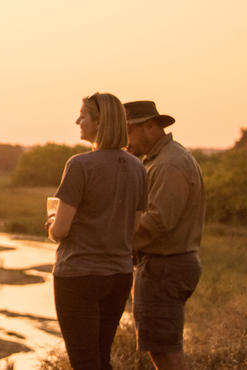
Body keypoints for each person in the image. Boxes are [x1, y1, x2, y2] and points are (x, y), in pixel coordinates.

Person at [46, 93, 147, 370]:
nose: (78, 121)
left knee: (84, 362)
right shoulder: (137, 167)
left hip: (79, 275)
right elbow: (135, 226)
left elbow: (61, 230)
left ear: (100, 122)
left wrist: (52, 225)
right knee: (101, 358)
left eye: (83, 115)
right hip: (119, 275)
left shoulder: (79, 165)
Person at [124, 100, 205, 370]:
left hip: (165, 266)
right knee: (161, 349)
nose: (124, 141)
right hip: (163, 265)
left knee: (165, 351)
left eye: (127, 132)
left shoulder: (169, 165)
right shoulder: (161, 160)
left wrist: (113, 235)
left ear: (149, 127)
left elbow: (157, 222)